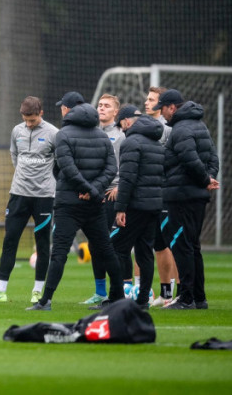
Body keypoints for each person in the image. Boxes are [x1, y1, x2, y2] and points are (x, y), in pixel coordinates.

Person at [28, 91, 123, 311]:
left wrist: (86, 189)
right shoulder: (101, 135)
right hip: (94, 204)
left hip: (69, 203)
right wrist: (95, 191)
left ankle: (46, 300)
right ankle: (117, 297)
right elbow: (112, 168)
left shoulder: (63, 134)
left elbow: (65, 168)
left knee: (59, 253)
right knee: (107, 250)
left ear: (67, 110)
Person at [0, 96, 58, 304]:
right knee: (10, 240)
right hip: (18, 194)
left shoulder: (53, 133)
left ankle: (37, 291)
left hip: (44, 196)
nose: (29, 124)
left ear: (41, 113)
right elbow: (14, 156)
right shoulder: (16, 131)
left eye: (32, 120)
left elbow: (59, 163)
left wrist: (48, 181)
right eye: (25, 120)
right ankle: (0, 290)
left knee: (42, 243)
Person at [156, 89, 220, 310]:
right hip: (196, 196)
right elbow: (213, 157)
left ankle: (186, 298)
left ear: (172, 107)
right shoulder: (200, 125)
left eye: (163, 109)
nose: (161, 114)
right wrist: (209, 178)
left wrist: (205, 179)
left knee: (181, 245)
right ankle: (199, 298)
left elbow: (189, 158)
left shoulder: (181, 129)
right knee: (193, 246)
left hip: (182, 196)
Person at [112, 104, 165, 309]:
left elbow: (127, 179)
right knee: (145, 253)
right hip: (153, 205)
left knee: (116, 247)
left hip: (135, 205)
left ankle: (116, 297)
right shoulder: (156, 142)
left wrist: (120, 208)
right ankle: (143, 300)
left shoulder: (131, 142)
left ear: (126, 121)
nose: (121, 129)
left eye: (121, 125)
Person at [83, 93, 124, 305]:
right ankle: (100, 291)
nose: (101, 108)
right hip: (94, 193)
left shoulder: (120, 135)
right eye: (99, 105)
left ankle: (121, 290)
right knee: (94, 244)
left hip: (111, 194)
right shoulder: (92, 132)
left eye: (107, 106)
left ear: (116, 112)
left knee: (110, 245)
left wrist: (120, 186)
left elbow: (128, 164)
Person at [144, 86, 178, 306]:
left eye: (151, 99)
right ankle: (160, 293)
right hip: (148, 193)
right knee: (152, 243)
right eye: (147, 99)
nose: (147, 103)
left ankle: (175, 292)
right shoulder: (144, 126)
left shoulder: (168, 129)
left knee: (169, 243)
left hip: (165, 192)